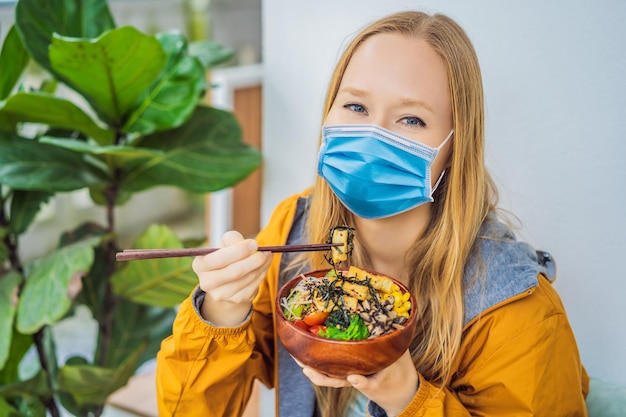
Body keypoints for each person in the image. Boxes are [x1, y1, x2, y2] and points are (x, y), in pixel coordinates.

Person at [156, 10, 589, 417]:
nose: (372, 136)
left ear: (455, 148)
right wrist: (222, 310)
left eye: (412, 120)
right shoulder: (294, 229)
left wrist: (407, 397)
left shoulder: (517, 309)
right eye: (357, 108)